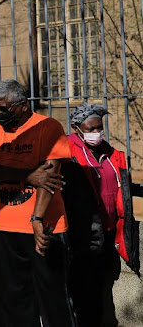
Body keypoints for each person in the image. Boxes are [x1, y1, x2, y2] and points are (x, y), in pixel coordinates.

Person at [0, 79, 75, 327]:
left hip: (45, 227)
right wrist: (27, 175)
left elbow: (49, 177)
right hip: (6, 227)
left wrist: (37, 219)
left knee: (54, 300)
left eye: (4, 109)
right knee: (15, 299)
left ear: (22, 105)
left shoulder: (47, 127)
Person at [63, 103, 142, 327]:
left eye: (99, 127)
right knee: (81, 289)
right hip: (80, 232)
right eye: (91, 128)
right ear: (76, 128)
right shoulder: (66, 152)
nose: (97, 132)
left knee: (98, 288)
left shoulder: (110, 153)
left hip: (107, 232)